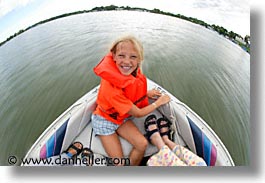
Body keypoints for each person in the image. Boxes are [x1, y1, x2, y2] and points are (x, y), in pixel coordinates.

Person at [92, 35, 171, 166]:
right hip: (105, 121)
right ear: (113, 56)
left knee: (142, 144)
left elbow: (131, 91)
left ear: (139, 59)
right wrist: (159, 102)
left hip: (121, 117)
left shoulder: (131, 73)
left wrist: (145, 94)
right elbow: (138, 113)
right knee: (120, 164)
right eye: (121, 56)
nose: (127, 62)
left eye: (133, 57)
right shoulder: (112, 90)